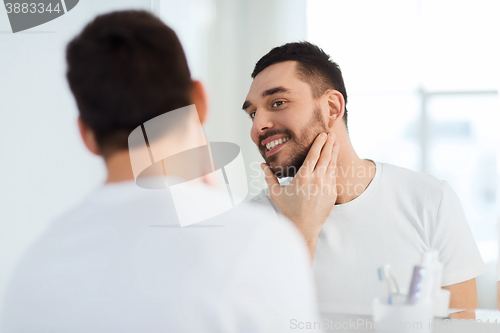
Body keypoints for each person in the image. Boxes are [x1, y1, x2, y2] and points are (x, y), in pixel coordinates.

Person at [0, 12, 324, 332]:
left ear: (86, 135)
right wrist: (297, 236)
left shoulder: (34, 267)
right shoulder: (257, 243)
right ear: (200, 100)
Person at [243, 42, 488, 311]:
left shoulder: (432, 201)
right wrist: (301, 230)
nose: (257, 127)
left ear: (332, 108)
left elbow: (462, 325)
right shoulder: (251, 221)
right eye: (253, 113)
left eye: (278, 102)